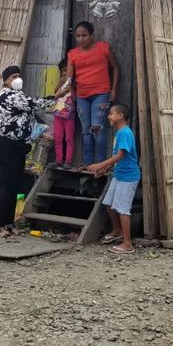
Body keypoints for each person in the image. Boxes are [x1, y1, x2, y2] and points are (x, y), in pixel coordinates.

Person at [0, 65, 64, 238]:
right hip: (6, 144)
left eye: (19, 75)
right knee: (8, 184)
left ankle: (9, 223)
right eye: (13, 77)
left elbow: (29, 112)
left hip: (18, 145)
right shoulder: (8, 95)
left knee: (14, 185)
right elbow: (34, 104)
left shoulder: (19, 95)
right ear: (6, 80)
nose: (17, 79)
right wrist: (56, 96)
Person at [63, 21, 120, 168]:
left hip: (101, 94)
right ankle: (88, 164)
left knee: (97, 129)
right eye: (78, 36)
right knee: (86, 131)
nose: (80, 39)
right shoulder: (72, 54)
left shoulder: (103, 48)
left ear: (92, 35)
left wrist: (114, 89)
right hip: (82, 96)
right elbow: (69, 79)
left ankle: (101, 165)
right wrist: (72, 92)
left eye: (84, 35)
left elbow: (116, 68)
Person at [87, 103, 140, 254]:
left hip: (128, 177)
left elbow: (121, 155)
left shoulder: (125, 132)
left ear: (120, 116)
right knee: (108, 203)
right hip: (119, 174)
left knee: (123, 209)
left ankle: (127, 244)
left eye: (111, 114)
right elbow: (119, 157)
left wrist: (100, 165)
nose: (109, 117)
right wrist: (105, 168)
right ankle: (117, 230)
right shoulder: (120, 132)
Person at [51, 58, 76, 169]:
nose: (64, 73)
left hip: (69, 116)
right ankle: (59, 160)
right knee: (58, 138)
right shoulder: (61, 83)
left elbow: (75, 99)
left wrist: (71, 87)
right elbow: (55, 94)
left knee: (69, 138)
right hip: (58, 115)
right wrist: (61, 83)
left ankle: (68, 161)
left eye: (66, 70)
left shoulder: (74, 84)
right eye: (63, 71)